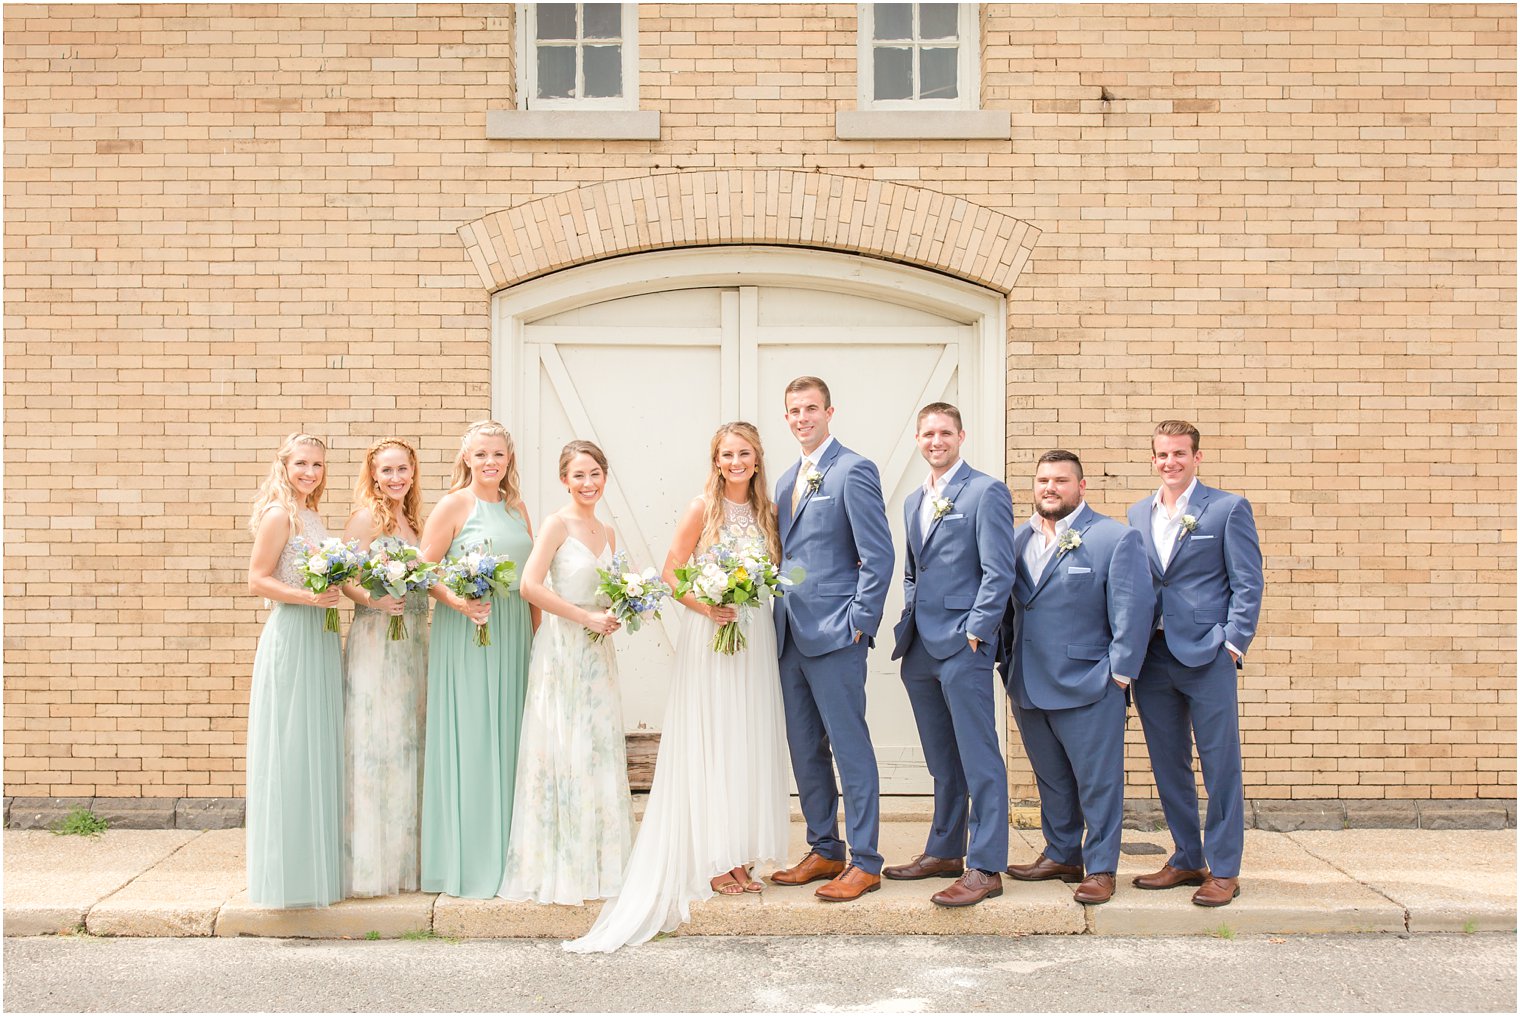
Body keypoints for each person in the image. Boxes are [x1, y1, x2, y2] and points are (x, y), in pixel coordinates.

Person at [565, 422, 791, 952]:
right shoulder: (701, 509)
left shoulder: (768, 513)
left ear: (757, 460)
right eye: (726, 454)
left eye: (744, 454)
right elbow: (671, 573)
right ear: (716, 461)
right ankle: (714, 859)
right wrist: (707, 604)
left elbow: (775, 569)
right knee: (713, 739)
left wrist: (748, 588)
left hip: (752, 632)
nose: (735, 462)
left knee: (745, 740)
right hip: (711, 632)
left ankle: (739, 855)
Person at [997, 450, 1150, 906]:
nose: (1050, 488)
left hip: (1090, 683)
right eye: (1043, 480)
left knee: (1098, 781)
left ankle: (1101, 866)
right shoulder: (1016, 538)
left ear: (1081, 487)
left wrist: (1118, 675)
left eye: (1061, 480)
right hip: (1027, 680)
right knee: (1052, 778)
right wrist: (1005, 662)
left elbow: (1134, 610)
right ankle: (1062, 853)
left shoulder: (1113, 538)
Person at [1126, 420, 1263, 908]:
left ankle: (1224, 869)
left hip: (1208, 653)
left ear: (1196, 457)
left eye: (1180, 454)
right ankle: (1187, 857)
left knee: (1219, 762)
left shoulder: (1226, 508)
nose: (1171, 463)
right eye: (1163, 455)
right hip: (1153, 656)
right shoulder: (1137, 512)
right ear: (1154, 458)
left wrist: (1233, 641)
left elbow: (1248, 581)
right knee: (1169, 763)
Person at [884, 403, 1016, 907]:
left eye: (945, 432)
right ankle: (944, 849)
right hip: (920, 645)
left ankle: (985, 866)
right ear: (918, 439)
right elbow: (914, 568)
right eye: (927, 433)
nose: (936, 441)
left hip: (964, 645)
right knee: (942, 758)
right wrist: (909, 614)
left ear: (961, 436)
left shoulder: (985, 491)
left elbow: (998, 571)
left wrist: (977, 631)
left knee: (979, 756)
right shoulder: (915, 498)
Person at [769, 376, 894, 903]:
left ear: (829, 411)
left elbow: (878, 554)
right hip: (789, 634)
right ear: (787, 418)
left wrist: (860, 621)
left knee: (850, 747)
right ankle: (825, 848)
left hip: (837, 632)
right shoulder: (782, 481)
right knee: (805, 748)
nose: (803, 418)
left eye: (811, 409)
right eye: (795, 411)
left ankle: (865, 860)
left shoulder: (854, 470)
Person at [498, 441, 633, 905]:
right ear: (564, 480)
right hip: (562, 649)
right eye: (578, 475)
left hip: (598, 655)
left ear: (605, 475)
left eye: (594, 473)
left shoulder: (609, 533)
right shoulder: (557, 524)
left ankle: (599, 862)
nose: (588, 483)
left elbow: (611, 589)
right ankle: (562, 865)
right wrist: (584, 618)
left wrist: (619, 609)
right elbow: (529, 586)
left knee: (594, 749)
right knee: (564, 748)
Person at [419, 421, 535, 899]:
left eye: (499, 456)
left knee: (511, 736)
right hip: (468, 631)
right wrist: (460, 602)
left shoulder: (517, 507)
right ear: (466, 458)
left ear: (509, 461)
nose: (491, 463)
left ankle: (514, 856)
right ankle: (466, 862)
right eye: (482, 454)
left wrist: (539, 632)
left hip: (513, 634)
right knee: (474, 734)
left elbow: (530, 576)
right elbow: (423, 570)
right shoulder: (453, 505)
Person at [244, 432, 344, 908]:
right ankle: (287, 879)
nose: (310, 472)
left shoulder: (312, 516)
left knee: (315, 745)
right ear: (283, 465)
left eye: (318, 466)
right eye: (302, 463)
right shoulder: (279, 514)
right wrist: (309, 596)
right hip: (292, 634)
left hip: (320, 636)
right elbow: (257, 578)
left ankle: (314, 870)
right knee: (291, 745)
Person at [341, 438, 429, 898]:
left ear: (413, 473)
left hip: (414, 639)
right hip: (377, 637)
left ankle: (407, 861)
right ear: (373, 475)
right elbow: (342, 576)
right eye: (387, 471)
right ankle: (371, 866)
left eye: (403, 470)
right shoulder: (365, 519)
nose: (396, 478)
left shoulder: (415, 522)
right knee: (378, 742)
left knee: (409, 740)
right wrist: (373, 597)